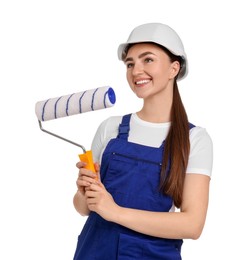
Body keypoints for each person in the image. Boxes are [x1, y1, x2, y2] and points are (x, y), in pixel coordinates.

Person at [73, 22, 213, 260]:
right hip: (94, 251)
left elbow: (192, 224)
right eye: (130, 63)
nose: (136, 69)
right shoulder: (111, 128)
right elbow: (83, 208)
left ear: (174, 68)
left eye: (147, 59)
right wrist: (84, 192)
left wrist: (115, 212)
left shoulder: (195, 139)